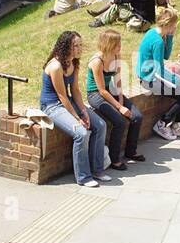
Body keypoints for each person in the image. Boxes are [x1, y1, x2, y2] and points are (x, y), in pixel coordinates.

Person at [41, 31, 109, 187]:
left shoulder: (74, 63)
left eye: (80, 45)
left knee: (100, 125)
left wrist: (84, 111)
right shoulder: (56, 66)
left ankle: (98, 170)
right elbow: (62, 96)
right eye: (75, 46)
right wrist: (77, 118)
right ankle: (84, 177)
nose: (79, 49)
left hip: (67, 101)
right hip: (52, 105)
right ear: (66, 47)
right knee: (81, 133)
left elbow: (76, 91)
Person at [86, 29, 144, 171]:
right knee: (119, 121)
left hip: (110, 91)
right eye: (117, 44)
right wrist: (119, 107)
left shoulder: (116, 56)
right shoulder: (97, 61)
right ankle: (114, 159)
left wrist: (122, 101)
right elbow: (101, 91)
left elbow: (117, 83)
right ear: (108, 44)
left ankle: (131, 152)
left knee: (137, 116)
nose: (120, 46)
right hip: (95, 94)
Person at [137, 7, 180, 142]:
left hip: (152, 75)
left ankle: (178, 125)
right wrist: (178, 79)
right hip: (149, 79)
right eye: (174, 25)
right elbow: (159, 70)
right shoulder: (157, 41)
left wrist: (169, 36)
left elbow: (166, 55)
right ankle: (162, 123)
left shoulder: (155, 34)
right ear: (169, 24)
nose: (176, 26)